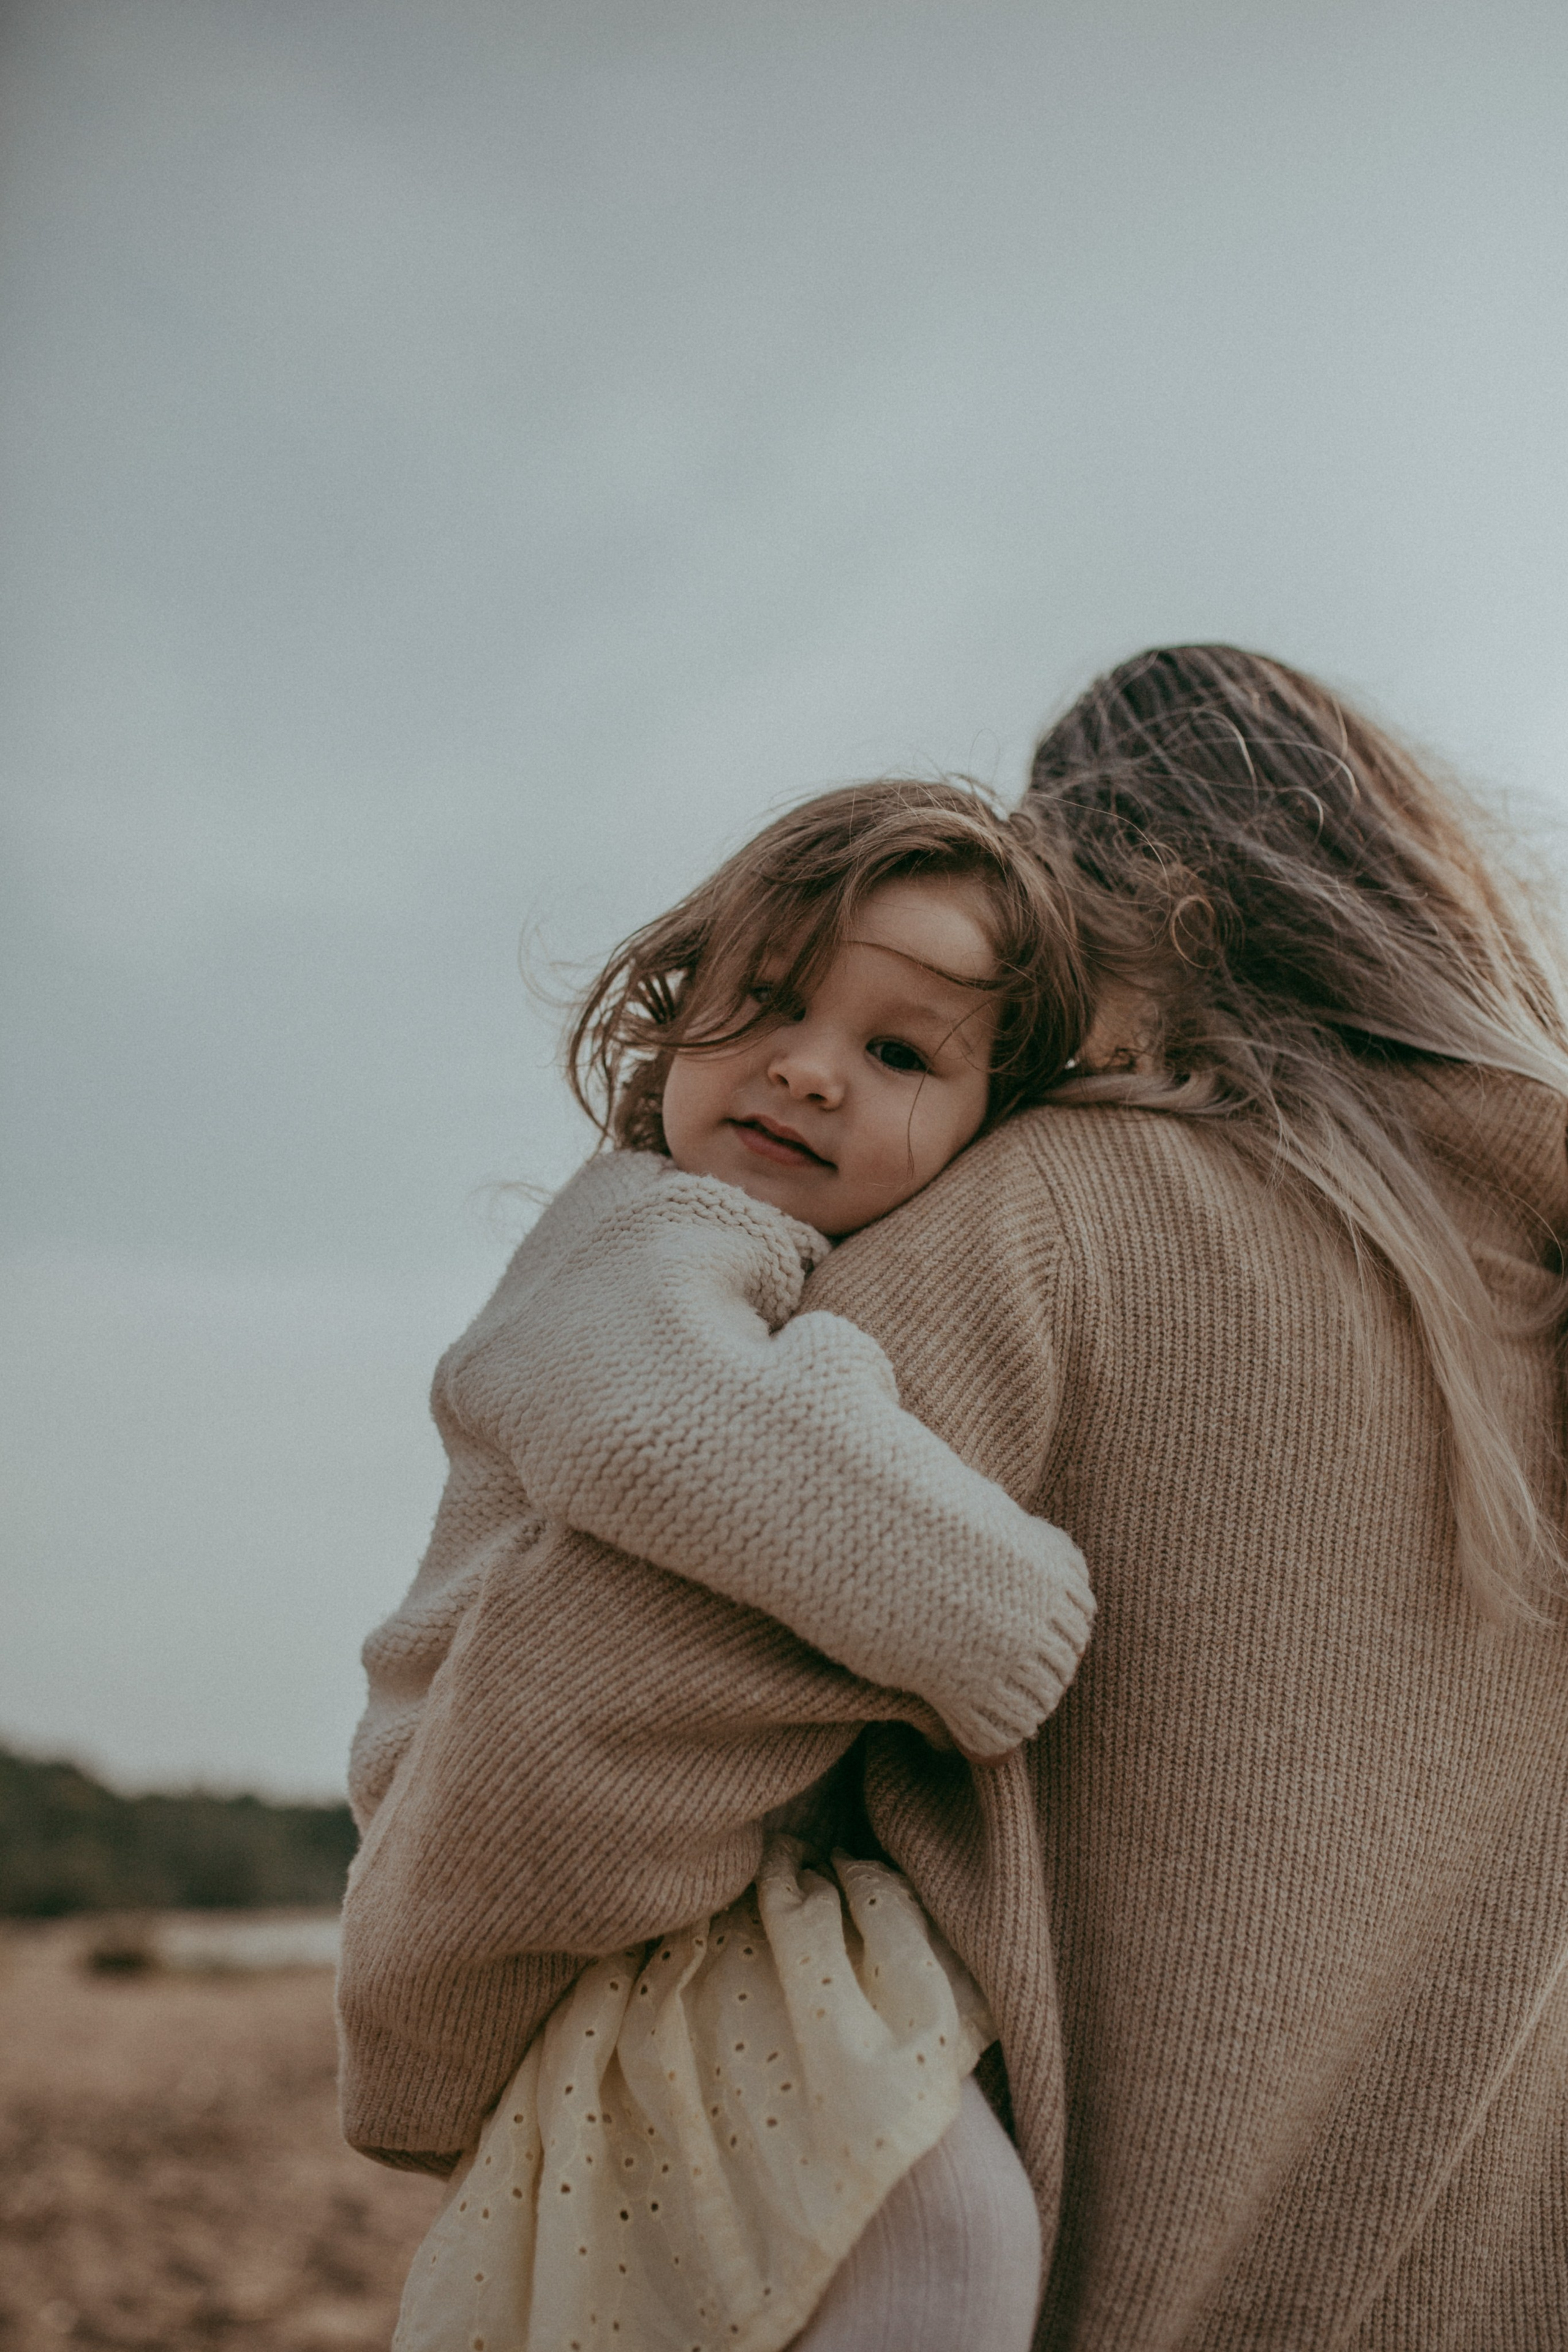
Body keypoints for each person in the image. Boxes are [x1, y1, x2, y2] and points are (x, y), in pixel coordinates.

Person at [340, 646, 1568, 2349]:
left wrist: (421, 2042)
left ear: (1109, 915)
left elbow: (588, 1730)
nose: (816, 1074)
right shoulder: (1538, 1300)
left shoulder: (1058, 1227)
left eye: (908, 1046)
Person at [348, 780, 1098, 2352]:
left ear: (988, 1125)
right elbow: (670, 1431)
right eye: (766, 1000)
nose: (809, 1069)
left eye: (899, 1055)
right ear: (674, 1009)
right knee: (947, 2240)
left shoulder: (771, 1257)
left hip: (682, 1887)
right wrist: (1005, 1613)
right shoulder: (639, 1230)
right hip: (589, 1886)